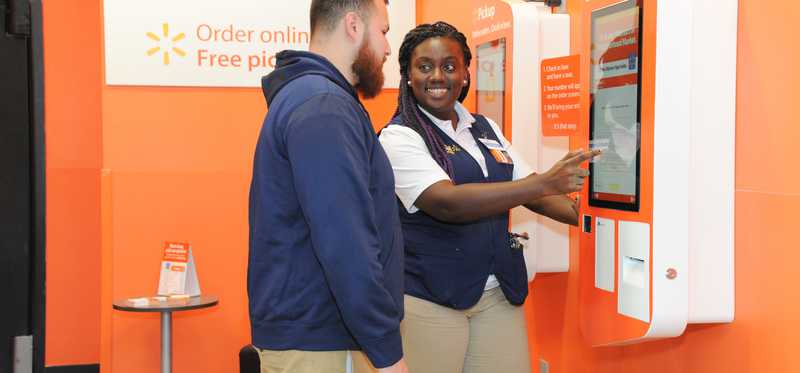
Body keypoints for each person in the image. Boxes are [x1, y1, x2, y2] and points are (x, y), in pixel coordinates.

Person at [378, 21, 599, 373]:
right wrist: (545, 182)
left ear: (466, 74)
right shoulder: (398, 138)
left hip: (496, 291)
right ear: (407, 75)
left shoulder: (484, 129)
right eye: (424, 67)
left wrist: (594, 219)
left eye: (449, 66)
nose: (438, 76)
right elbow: (447, 203)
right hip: (429, 297)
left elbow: (530, 189)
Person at [247, 1, 408, 372]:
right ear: (353, 25)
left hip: (325, 335)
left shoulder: (315, 99)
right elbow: (345, 240)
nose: (387, 48)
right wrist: (388, 353)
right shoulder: (323, 106)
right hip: (321, 342)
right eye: (383, 31)